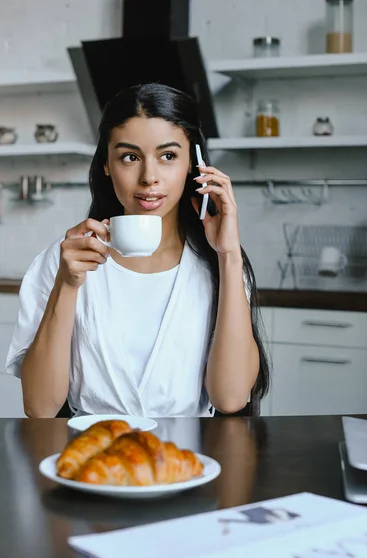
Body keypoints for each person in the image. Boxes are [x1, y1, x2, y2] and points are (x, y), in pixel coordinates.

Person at [6, 83, 269, 418]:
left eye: (168, 156)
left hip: (187, 461)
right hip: (95, 459)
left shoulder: (221, 263)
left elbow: (230, 399)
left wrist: (229, 254)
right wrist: (66, 285)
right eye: (130, 157)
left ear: (194, 164)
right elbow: (41, 409)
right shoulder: (64, 262)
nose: (149, 178)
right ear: (106, 164)